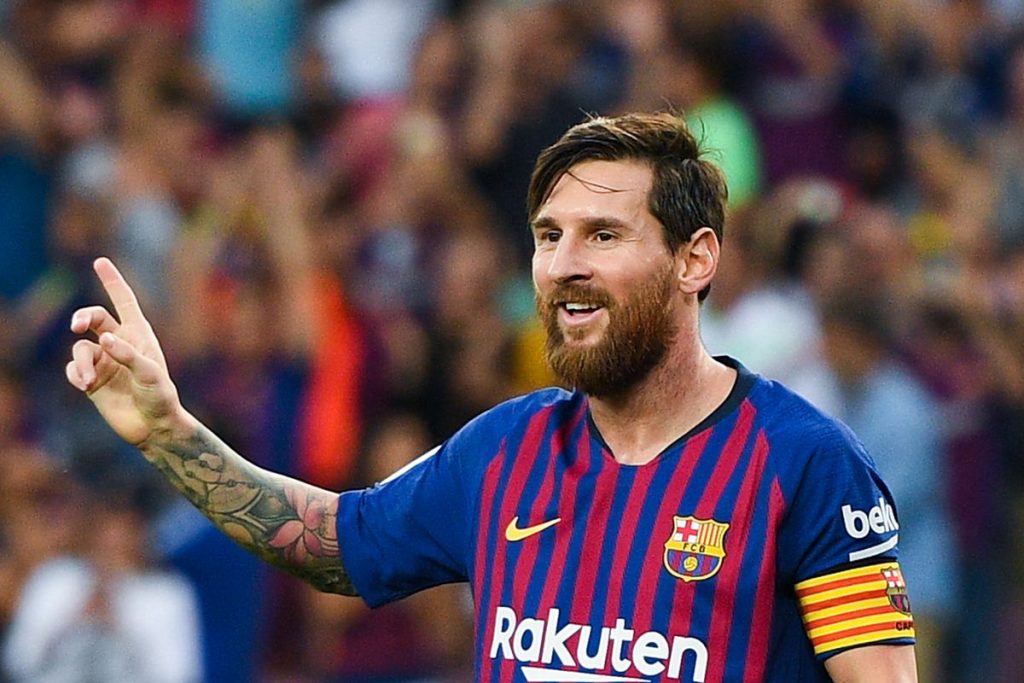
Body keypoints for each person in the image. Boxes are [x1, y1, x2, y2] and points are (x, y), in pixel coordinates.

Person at [66, 113, 917, 682]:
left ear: (695, 259)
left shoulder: (805, 463)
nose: (564, 265)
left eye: (603, 234)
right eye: (549, 236)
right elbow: (331, 543)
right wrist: (168, 431)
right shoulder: (504, 451)